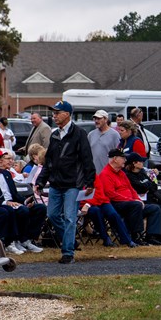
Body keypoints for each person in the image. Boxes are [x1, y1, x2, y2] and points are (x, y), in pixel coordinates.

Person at [35, 100, 96, 264]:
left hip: (73, 184)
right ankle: (71, 240)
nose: (54, 115)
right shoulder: (54, 134)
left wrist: (90, 181)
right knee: (53, 215)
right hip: (56, 183)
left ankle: (68, 252)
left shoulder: (79, 133)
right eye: (53, 112)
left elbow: (87, 159)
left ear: (67, 114)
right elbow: (49, 161)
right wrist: (41, 181)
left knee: (70, 217)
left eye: (57, 112)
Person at [89, 149, 161, 246]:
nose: (125, 160)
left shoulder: (121, 173)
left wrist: (136, 198)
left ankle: (151, 237)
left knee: (155, 208)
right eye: (123, 158)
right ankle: (135, 236)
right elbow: (111, 194)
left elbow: (131, 189)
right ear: (115, 159)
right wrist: (133, 200)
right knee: (135, 206)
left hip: (131, 203)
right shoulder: (105, 174)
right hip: (117, 204)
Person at [0, 147, 46, 253]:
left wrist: (26, 201)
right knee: (19, 210)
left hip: (13, 203)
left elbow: (14, 194)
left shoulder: (6, 174)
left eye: (1, 157)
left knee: (40, 208)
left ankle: (27, 239)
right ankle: (13, 240)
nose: (0, 159)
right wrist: (6, 202)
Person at [124, 151, 161, 244]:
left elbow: (154, 186)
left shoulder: (142, 173)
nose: (143, 163)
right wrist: (147, 185)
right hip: (140, 202)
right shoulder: (128, 175)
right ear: (134, 163)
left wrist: (146, 185)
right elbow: (140, 188)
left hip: (151, 198)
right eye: (140, 161)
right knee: (159, 208)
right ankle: (152, 236)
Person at [87, 110, 121, 175]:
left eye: (99, 118)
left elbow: (119, 155)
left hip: (109, 174)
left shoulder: (114, 135)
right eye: (95, 119)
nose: (96, 121)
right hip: (94, 174)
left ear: (106, 119)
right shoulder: (91, 135)